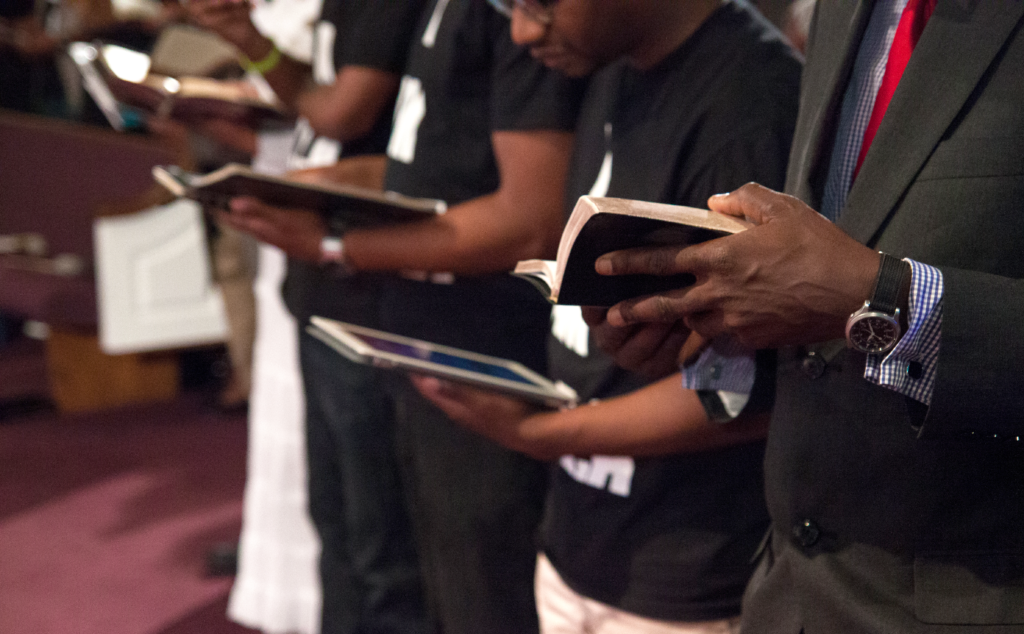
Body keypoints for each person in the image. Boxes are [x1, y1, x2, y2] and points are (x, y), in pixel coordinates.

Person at [588, 1, 1024, 632]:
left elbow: (853, 285)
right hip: (789, 590)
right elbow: (823, 279)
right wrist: (714, 325)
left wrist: (885, 302)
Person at [412, 0, 800, 632]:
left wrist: (537, 436)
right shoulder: (617, 60)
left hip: (684, 564)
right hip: (582, 536)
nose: (521, 31)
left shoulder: (751, 103)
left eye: (539, 4)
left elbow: (739, 395)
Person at [222, 1, 588, 630]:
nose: (529, 25)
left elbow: (530, 219)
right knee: (396, 560)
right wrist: (319, 185)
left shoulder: (508, 19)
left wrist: (335, 244)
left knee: (468, 587)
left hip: (481, 336)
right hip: (412, 324)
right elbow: (422, 163)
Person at [184, 1, 431, 633]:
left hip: (368, 286)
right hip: (321, 279)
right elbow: (313, 110)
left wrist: (245, 36)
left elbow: (340, 112)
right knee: (336, 523)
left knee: (383, 547)